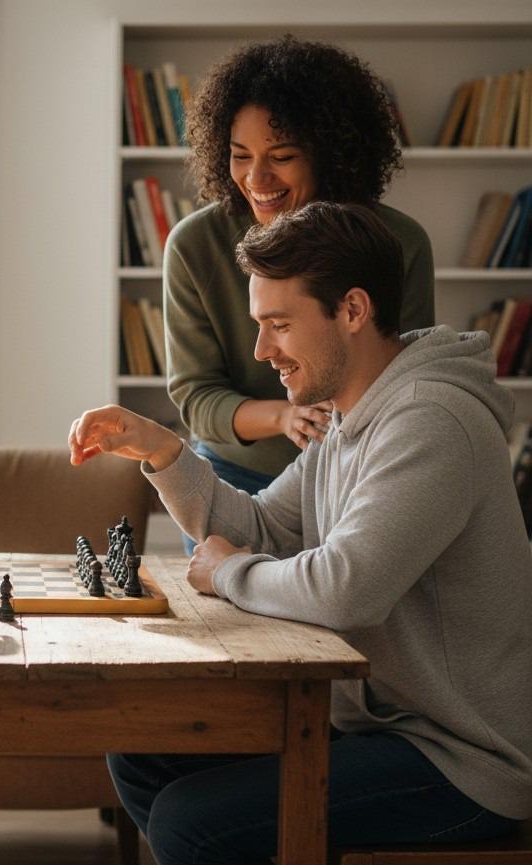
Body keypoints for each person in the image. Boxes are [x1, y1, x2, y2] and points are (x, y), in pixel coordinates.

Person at [71, 202, 532, 865]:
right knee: (143, 757)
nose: (260, 351)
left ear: (352, 310)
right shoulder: (353, 415)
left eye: (278, 324)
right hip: (388, 727)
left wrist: (228, 576)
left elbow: (343, 586)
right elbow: (264, 527)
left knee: (191, 825)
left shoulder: (430, 421)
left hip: (467, 756)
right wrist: (164, 450)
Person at [167, 35, 435, 551]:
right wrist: (285, 417)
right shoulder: (195, 246)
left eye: (282, 156)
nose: (256, 178)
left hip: (360, 475)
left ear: (329, 155)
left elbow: (405, 376)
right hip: (235, 478)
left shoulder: (398, 244)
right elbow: (197, 399)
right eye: (239, 155)